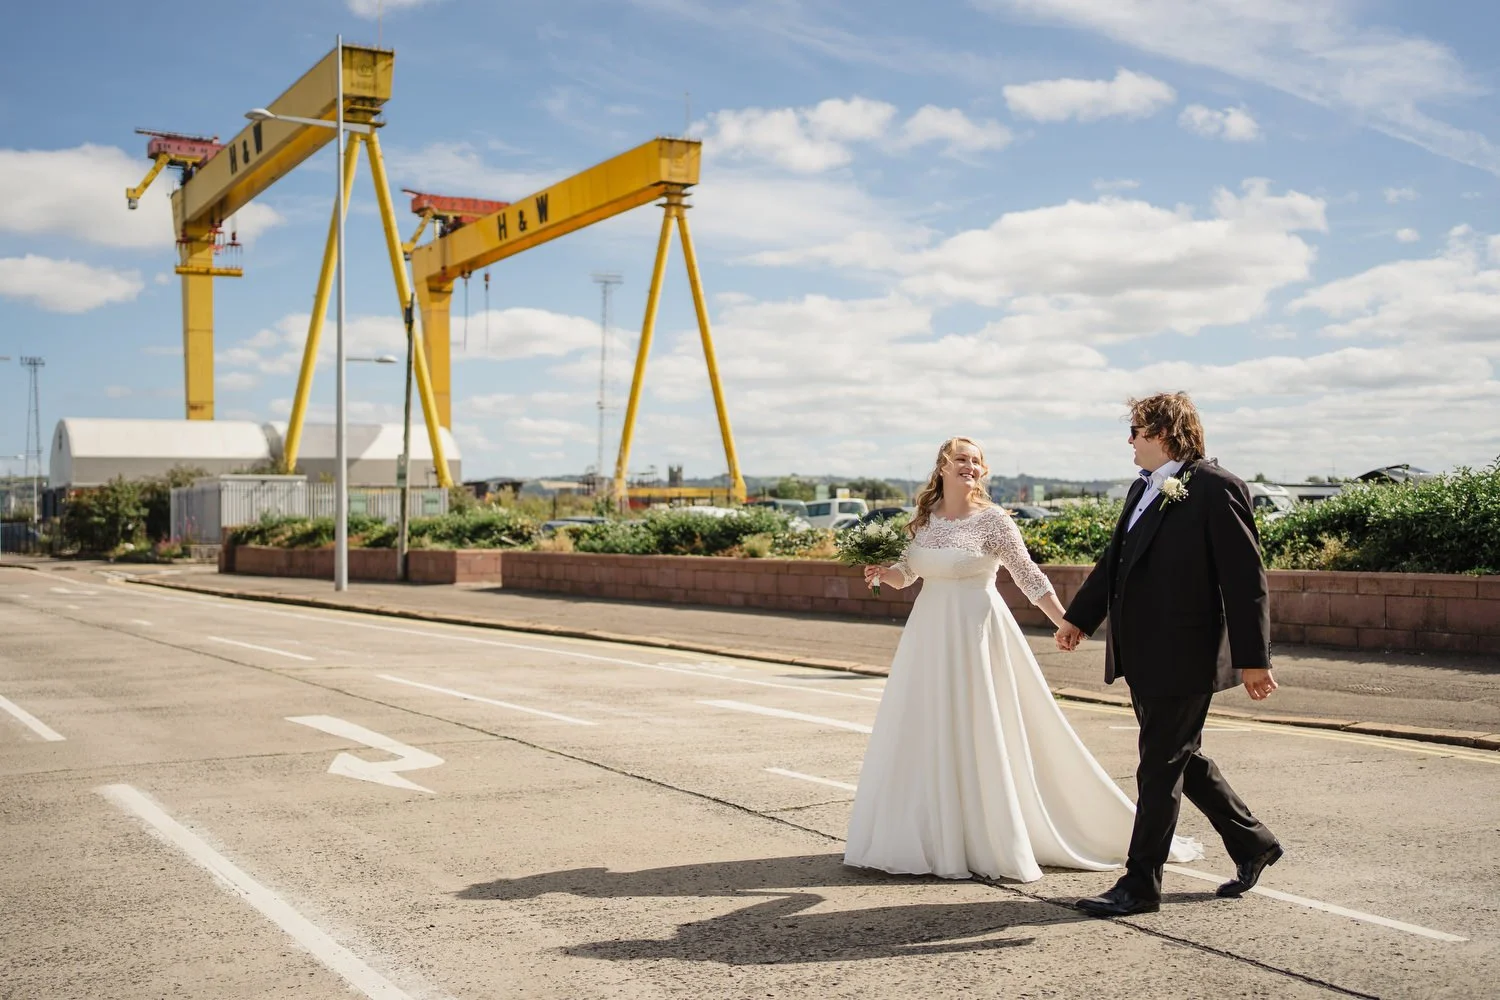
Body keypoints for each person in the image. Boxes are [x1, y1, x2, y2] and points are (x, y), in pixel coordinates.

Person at [844, 436, 1201, 883]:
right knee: (928, 727)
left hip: (977, 636)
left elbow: (1029, 576)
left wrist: (1066, 623)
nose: (969, 467)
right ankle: (936, 837)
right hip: (928, 637)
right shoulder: (923, 522)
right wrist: (883, 574)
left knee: (981, 728)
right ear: (941, 466)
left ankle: (991, 836)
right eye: (961, 460)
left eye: (976, 462)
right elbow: (908, 574)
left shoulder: (993, 521)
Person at [1057, 392, 1283, 917]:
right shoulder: (1143, 487)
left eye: (1136, 431)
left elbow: (1246, 581)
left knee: (1158, 766)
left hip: (1186, 654)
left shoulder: (1216, 488)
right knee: (1180, 758)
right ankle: (1254, 843)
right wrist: (1079, 619)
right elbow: (1115, 562)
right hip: (1142, 653)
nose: (1129, 441)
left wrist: (1254, 658)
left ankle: (1140, 885)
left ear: (1162, 434)